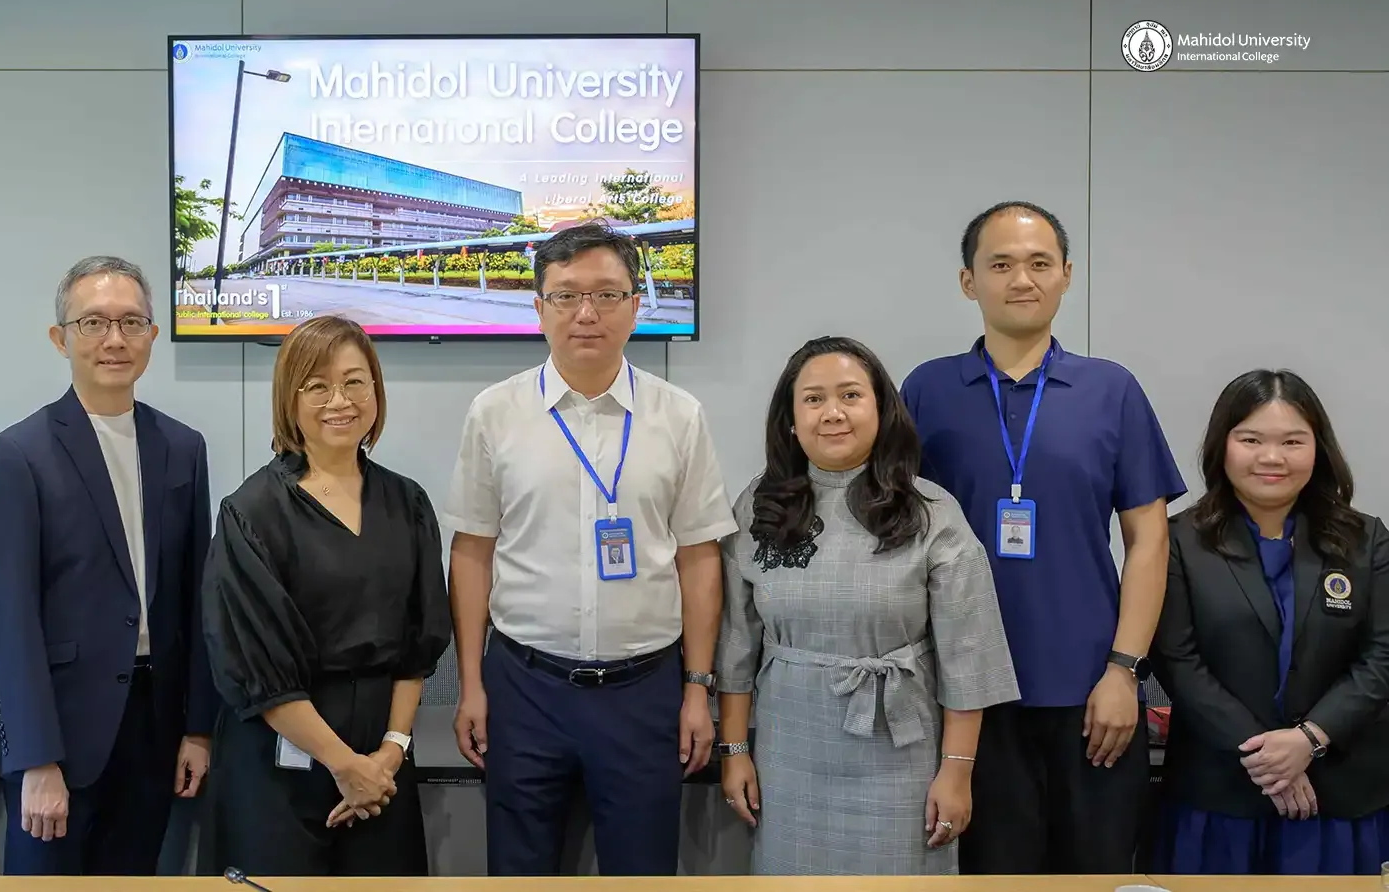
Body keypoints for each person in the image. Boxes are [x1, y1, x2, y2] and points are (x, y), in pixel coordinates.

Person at [900, 201, 1187, 873]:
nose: (1022, 279)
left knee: (1095, 872)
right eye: (1000, 264)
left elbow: (1149, 541)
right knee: (990, 877)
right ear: (969, 281)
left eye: (1038, 263)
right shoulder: (928, 389)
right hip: (966, 697)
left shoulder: (1111, 390)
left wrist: (1124, 670)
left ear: (1066, 275)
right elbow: (896, 534)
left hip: (1091, 693)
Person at [444, 222, 737, 876]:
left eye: (606, 294)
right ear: (539, 307)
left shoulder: (679, 416)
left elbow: (699, 558)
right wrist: (471, 686)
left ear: (635, 305)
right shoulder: (495, 412)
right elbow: (471, 553)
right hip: (524, 688)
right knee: (518, 872)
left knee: (642, 873)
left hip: (645, 692)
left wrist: (697, 689)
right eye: (567, 295)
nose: (586, 313)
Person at [716, 336, 1021, 874]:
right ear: (791, 420)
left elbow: (969, 658)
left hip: (902, 754)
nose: (832, 413)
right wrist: (735, 750)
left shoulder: (931, 512)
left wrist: (957, 771)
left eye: (850, 395)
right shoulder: (760, 507)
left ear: (882, 410)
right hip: (788, 755)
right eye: (813, 399)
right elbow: (737, 640)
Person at [0, 255, 218, 875]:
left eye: (131, 322)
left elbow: (197, 600)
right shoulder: (17, 455)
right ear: (61, 338)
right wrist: (36, 758)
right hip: (60, 730)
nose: (115, 339)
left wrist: (198, 729)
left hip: (155, 726)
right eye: (93, 323)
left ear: (152, 336)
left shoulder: (183, 448)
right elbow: (9, 618)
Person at [198, 316, 451, 876]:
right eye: (317, 386)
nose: (340, 400)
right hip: (280, 764)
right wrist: (344, 765)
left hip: (382, 765)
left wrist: (390, 752)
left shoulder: (407, 503)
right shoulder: (252, 512)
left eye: (355, 382)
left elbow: (419, 645)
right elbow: (257, 669)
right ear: (289, 400)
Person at [1151, 369, 1389, 874]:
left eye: (1292, 441)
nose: (1272, 457)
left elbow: (1382, 657)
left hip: (1340, 795)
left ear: (1318, 449)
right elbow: (1177, 661)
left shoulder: (1367, 540)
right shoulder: (1177, 541)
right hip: (1219, 794)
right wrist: (1269, 759)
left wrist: (1309, 739)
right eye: (1251, 439)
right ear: (1223, 445)